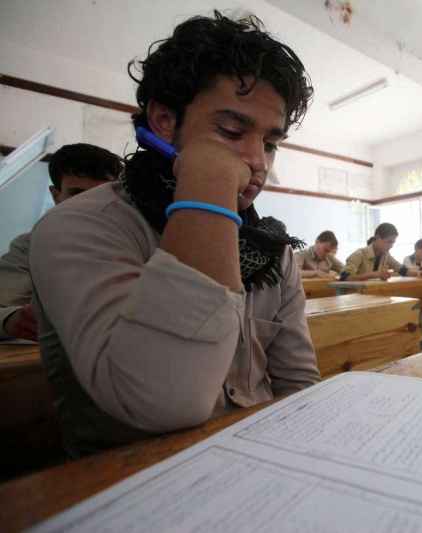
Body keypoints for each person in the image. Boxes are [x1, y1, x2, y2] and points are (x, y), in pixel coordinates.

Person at [27, 12, 320, 457]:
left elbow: (299, 384)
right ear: (164, 121)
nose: (259, 163)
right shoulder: (79, 227)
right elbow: (163, 400)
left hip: (263, 461)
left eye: (270, 143)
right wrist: (208, 181)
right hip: (130, 477)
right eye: (231, 132)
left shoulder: (270, 249)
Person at [0, 143, 122, 342]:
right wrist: (10, 319)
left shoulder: (139, 240)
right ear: (56, 196)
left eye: (103, 194)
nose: (92, 204)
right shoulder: (31, 246)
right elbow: (3, 306)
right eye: (77, 194)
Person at [340, 223, 422, 281]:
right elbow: (344, 278)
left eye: (393, 242)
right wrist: (373, 275)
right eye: (388, 242)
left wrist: (418, 273)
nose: (391, 246)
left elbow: (402, 269)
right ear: (378, 238)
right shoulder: (359, 255)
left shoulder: (386, 255)